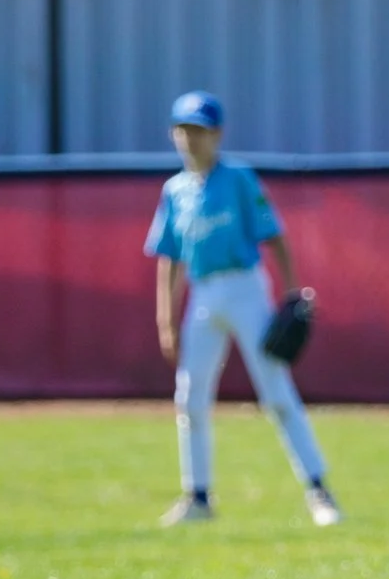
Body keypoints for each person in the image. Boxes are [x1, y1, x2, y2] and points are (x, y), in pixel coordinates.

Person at [144, 90, 341, 528]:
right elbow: (169, 259)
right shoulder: (175, 190)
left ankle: (319, 491)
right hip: (203, 293)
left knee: (276, 392)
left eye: (200, 131)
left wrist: (290, 295)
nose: (191, 139)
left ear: (217, 134)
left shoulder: (238, 179)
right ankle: (197, 496)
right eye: (184, 130)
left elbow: (274, 236)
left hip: (246, 288)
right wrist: (166, 319)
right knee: (190, 397)